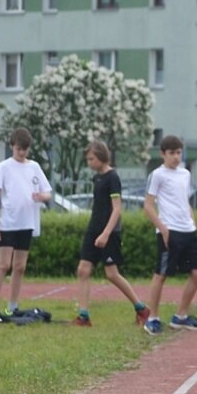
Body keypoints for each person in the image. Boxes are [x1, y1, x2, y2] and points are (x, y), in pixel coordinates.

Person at [73, 140, 149, 327]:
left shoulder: (112, 178)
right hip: (93, 229)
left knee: (112, 274)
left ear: (101, 157)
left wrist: (106, 233)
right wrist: (96, 231)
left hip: (109, 232)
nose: (89, 162)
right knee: (83, 270)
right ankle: (83, 316)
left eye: (91, 158)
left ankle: (141, 308)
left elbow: (117, 209)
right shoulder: (97, 178)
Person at [0, 127, 52, 322]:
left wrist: (41, 196)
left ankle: (12, 306)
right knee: (4, 264)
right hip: (8, 223)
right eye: (18, 149)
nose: (22, 153)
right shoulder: (4, 167)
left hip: (27, 223)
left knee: (20, 266)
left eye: (25, 149)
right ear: (12, 147)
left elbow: (47, 192)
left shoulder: (34, 167)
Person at [142, 135, 197, 335]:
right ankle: (152, 318)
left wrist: (192, 220)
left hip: (188, 230)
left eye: (178, 152)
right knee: (161, 274)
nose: (176, 157)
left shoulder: (185, 174)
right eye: (172, 153)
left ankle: (180, 316)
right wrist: (162, 228)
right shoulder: (157, 175)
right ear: (163, 154)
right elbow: (148, 205)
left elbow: (184, 200)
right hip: (169, 230)